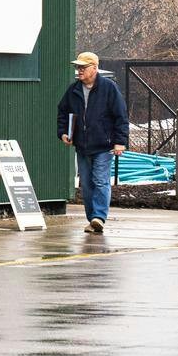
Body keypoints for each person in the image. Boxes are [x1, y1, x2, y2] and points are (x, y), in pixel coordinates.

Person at [57, 50, 128, 234]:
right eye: (77, 67)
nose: (79, 71)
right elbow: (63, 112)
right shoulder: (73, 90)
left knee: (100, 180)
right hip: (82, 145)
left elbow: (121, 115)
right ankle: (93, 220)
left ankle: (99, 217)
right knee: (86, 184)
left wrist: (120, 142)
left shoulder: (109, 88)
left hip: (104, 145)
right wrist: (63, 132)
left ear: (94, 68)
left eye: (83, 67)